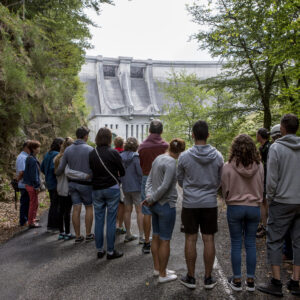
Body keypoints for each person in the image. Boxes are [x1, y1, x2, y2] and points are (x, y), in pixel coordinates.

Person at [177, 120, 223, 290]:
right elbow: (220, 180)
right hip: (210, 202)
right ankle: (208, 278)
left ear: (193, 135)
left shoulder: (184, 156)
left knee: (190, 238)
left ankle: (190, 277)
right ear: (208, 135)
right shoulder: (218, 156)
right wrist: (210, 189)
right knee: (209, 238)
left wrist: (190, 189)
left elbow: (180, 178)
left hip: (190, 203)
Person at [258, 114, 300, 297]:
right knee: (299, 242)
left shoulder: (276, 148)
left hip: (282, 201)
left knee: (274, 240)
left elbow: (272, 179)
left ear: (282, 128)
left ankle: (276, 282)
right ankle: (295, 281)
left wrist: (270, 198)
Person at [221, 134, 264, 292]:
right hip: (253, 207)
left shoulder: (227, 166)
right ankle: (251, 281)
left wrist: (229, 198)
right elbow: (261, 186)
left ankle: (237, 280)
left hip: (235, 207)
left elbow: (224, 188)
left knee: (236, 243)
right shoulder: (260, 166)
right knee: (251, 243)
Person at [144, 138, 185, 283]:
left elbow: (149, 180)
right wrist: (152, 198)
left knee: (155, 236)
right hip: (166, 204)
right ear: (181, 151)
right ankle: (162, 274)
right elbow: (166, 186)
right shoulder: (172, 163)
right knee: (165, 240)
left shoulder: (158, 158)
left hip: (154, 205)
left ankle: (158, 268)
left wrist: (149, 196)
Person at [89, 127, 125, 259]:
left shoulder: (92, 153)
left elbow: (91, 170)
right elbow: (123, 171)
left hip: (97, 189)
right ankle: (110, 251)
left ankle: (99, 249)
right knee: (111, 220)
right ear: (110, 138)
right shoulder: (114, 153)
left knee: (98, 220)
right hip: (112, 188)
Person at [56, 127, 94, 244]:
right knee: (88, 207)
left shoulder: (68, 150)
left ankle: (78, 236)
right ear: (86, 136)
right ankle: (88, 234)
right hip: (86, 184)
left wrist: (56, 174)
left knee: (76, 208)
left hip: (72, 184)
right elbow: (94, 167)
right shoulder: (90, 149)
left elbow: (61, 169)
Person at [138, 119, 169, 254]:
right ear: (161, 131)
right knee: (163, 208)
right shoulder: (165, 146)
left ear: (149, 130)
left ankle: (146, 242)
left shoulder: (142, 147)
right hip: (162, 179)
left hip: (146, 179)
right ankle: (163, 241)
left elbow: (139, 164)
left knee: (147, 211)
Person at [120, 137, 143, 243]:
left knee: (127, 210)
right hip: (136, 187)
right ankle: (142, 236)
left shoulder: (120, 156)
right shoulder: (136, 157)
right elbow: (139, 172)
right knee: (139, 211)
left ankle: (128, 234)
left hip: (125, 187)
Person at [41, 138, 64, 233]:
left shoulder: (47, 154)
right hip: (55, 183)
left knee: (53, 204)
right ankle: (55, 227)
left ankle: (50, 226)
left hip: (49, 182)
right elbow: (53, 169)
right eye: (62, 144)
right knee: (57, 205)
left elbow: (42, 168)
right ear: (59, 144)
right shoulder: (56, 155)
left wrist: (47, 175)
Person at [54, 137, 75, 240]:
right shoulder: (67, 159)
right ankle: (67, 233)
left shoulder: (57, 157)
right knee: (67, 211)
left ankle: (61, 232)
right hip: (67, 188)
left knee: (60, 210)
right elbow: (68, 173)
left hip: (59, 187)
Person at [256, 128, 271, 238]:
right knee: (263, 202)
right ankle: (264, 224)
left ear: (260, 136)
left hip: (267, 178)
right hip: (264, 177)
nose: (256, 136)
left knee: (264, 202)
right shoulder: (263, 147)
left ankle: (266, 227)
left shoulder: (268, 147)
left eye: (257, 135)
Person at [23, 140, 42, 228]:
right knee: (33, 203)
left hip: (29, 184)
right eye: (38, 147)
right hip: (32, 185)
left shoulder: (29, 158)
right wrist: (37, 186)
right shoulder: (33, 160)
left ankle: (32, 218)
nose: (39, 149)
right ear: (34, 149)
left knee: (34, 203)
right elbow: (34, 175)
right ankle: (31, 222)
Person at [16, 140, 31, 226]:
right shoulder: (22, 157)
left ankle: (27, 218)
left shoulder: (25, 156)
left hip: (25, 184)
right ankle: (23, 220)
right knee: (24, 203)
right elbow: (22, 172)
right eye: (30, 147)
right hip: (23, 184)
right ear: (26, 147)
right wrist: (18, 179)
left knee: (27, 202)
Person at [114, 136, 126, 235]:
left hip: (113, 181)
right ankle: (120, 225)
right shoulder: (124, 154)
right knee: (122, 205)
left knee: (114, 205)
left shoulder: (112, 152)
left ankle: (115, 224)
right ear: (123, 144)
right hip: (122, 182)